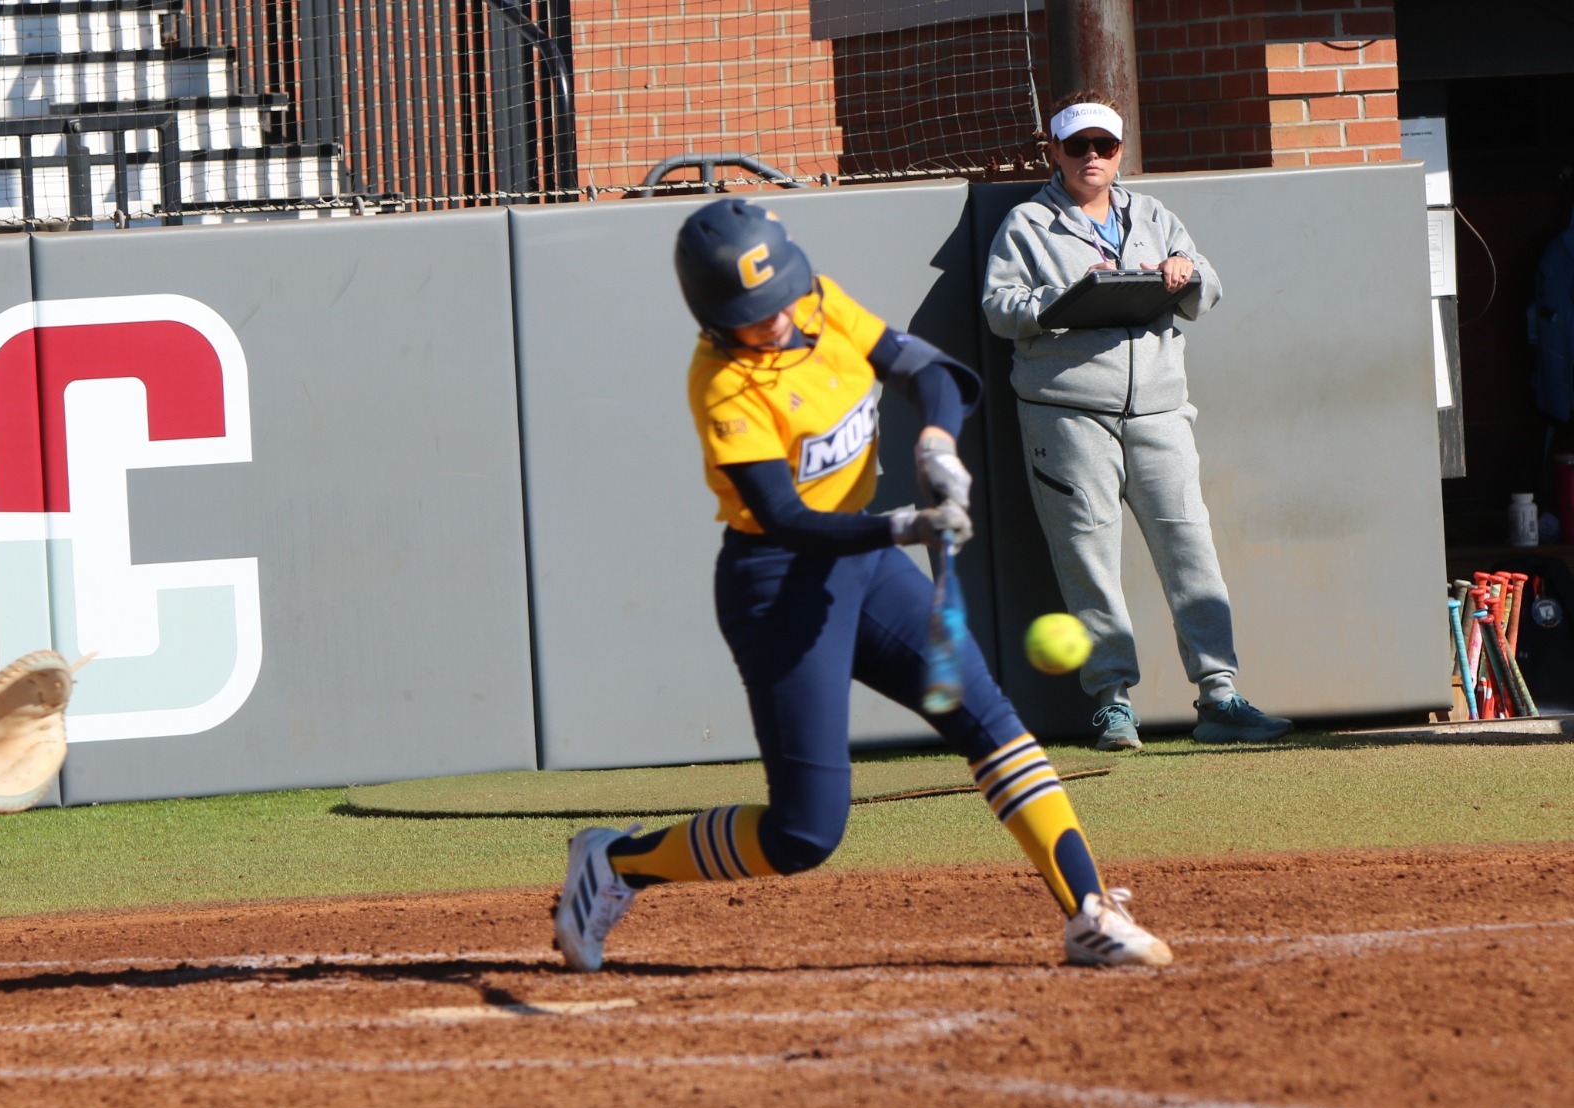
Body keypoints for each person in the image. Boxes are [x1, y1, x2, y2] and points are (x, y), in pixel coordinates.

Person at [551, 197, 1172, 973]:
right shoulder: (722, 383)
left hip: (867, 566)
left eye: (780, 299)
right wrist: (904, 527)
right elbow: (781, 517)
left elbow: (929, 371)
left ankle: (1089, 912)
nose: (777, 320)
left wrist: (939, 442)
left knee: (990, 719)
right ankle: (618, 862)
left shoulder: (817, 301)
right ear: (714, 319)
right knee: (803, 833)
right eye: (755, 313)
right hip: (778, 588)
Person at [982, 92, 1293, 751]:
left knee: (1190, 547)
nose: (1092, 157)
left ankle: (1219, 697)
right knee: (1088, 554)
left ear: (1121, 152)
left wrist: (1184, 273)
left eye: (1105, 146)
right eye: (1078, 146)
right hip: (1066, 414)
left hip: (1159, 409)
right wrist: (1061, 300)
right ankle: (1112, 702)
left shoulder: (1152, 213)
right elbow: (999, 308)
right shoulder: (1027, 224)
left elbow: (1207, 279)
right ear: (1054, 152)